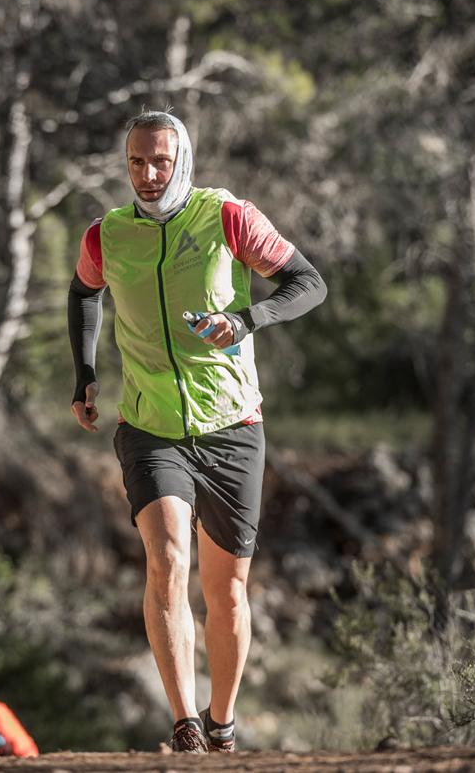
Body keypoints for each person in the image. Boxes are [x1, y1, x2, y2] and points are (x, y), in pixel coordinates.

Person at [66, 111, 326, 754]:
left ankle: (222, 722)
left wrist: (247, 319)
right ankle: (184, 724)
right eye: (135, 162)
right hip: (150, 427)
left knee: (227, 591)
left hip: (232, 427)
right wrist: (85, 374)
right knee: (167, 561)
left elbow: (308, 283)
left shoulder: (227, 217)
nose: (148, 175)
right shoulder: (108, 235)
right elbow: (82, 292)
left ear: (182, 159)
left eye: (159, 161)